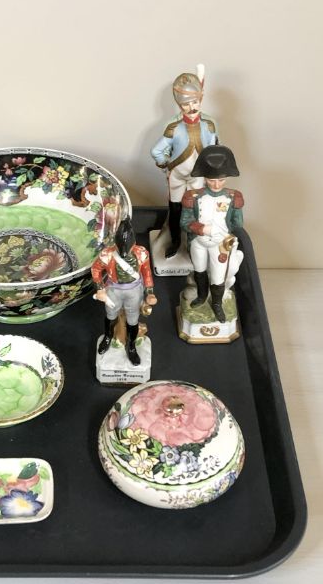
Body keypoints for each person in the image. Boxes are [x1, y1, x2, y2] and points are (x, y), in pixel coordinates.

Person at [151, 65, 218, 258]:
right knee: (175, 210)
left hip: (197, 176)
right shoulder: (174, 127)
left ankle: (192, 243)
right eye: (186, 104)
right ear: (179, 105)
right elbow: (156, 151)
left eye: (195, 102)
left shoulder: (209, 125)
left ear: (200, 99)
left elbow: (214, 150)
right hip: (177, 176)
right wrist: (165, 164)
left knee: (196, 211)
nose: (192, 107)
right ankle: (175, 242)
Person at [180, 145, 244, 323]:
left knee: (218, 276)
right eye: (211, 180)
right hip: (199, 241)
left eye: (221, 180)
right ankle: (201, 295)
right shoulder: (192, 196)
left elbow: (238, 224)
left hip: (220, 243)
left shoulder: (233, 197)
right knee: (199, 270)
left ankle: (216, 304)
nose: (216, 184)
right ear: (204, 178)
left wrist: (228, 236)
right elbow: (184, 222)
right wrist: (202, 229)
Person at [91, 217, 157, 365]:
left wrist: (150, 292)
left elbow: (147, 273)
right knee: (110, 315)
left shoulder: (141, 253)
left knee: (133, 319)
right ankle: (108, 337)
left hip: (134, 290)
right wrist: (100, 289)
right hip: (114, 289)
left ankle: (131, 345)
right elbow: (96, 269)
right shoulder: (107, 254)